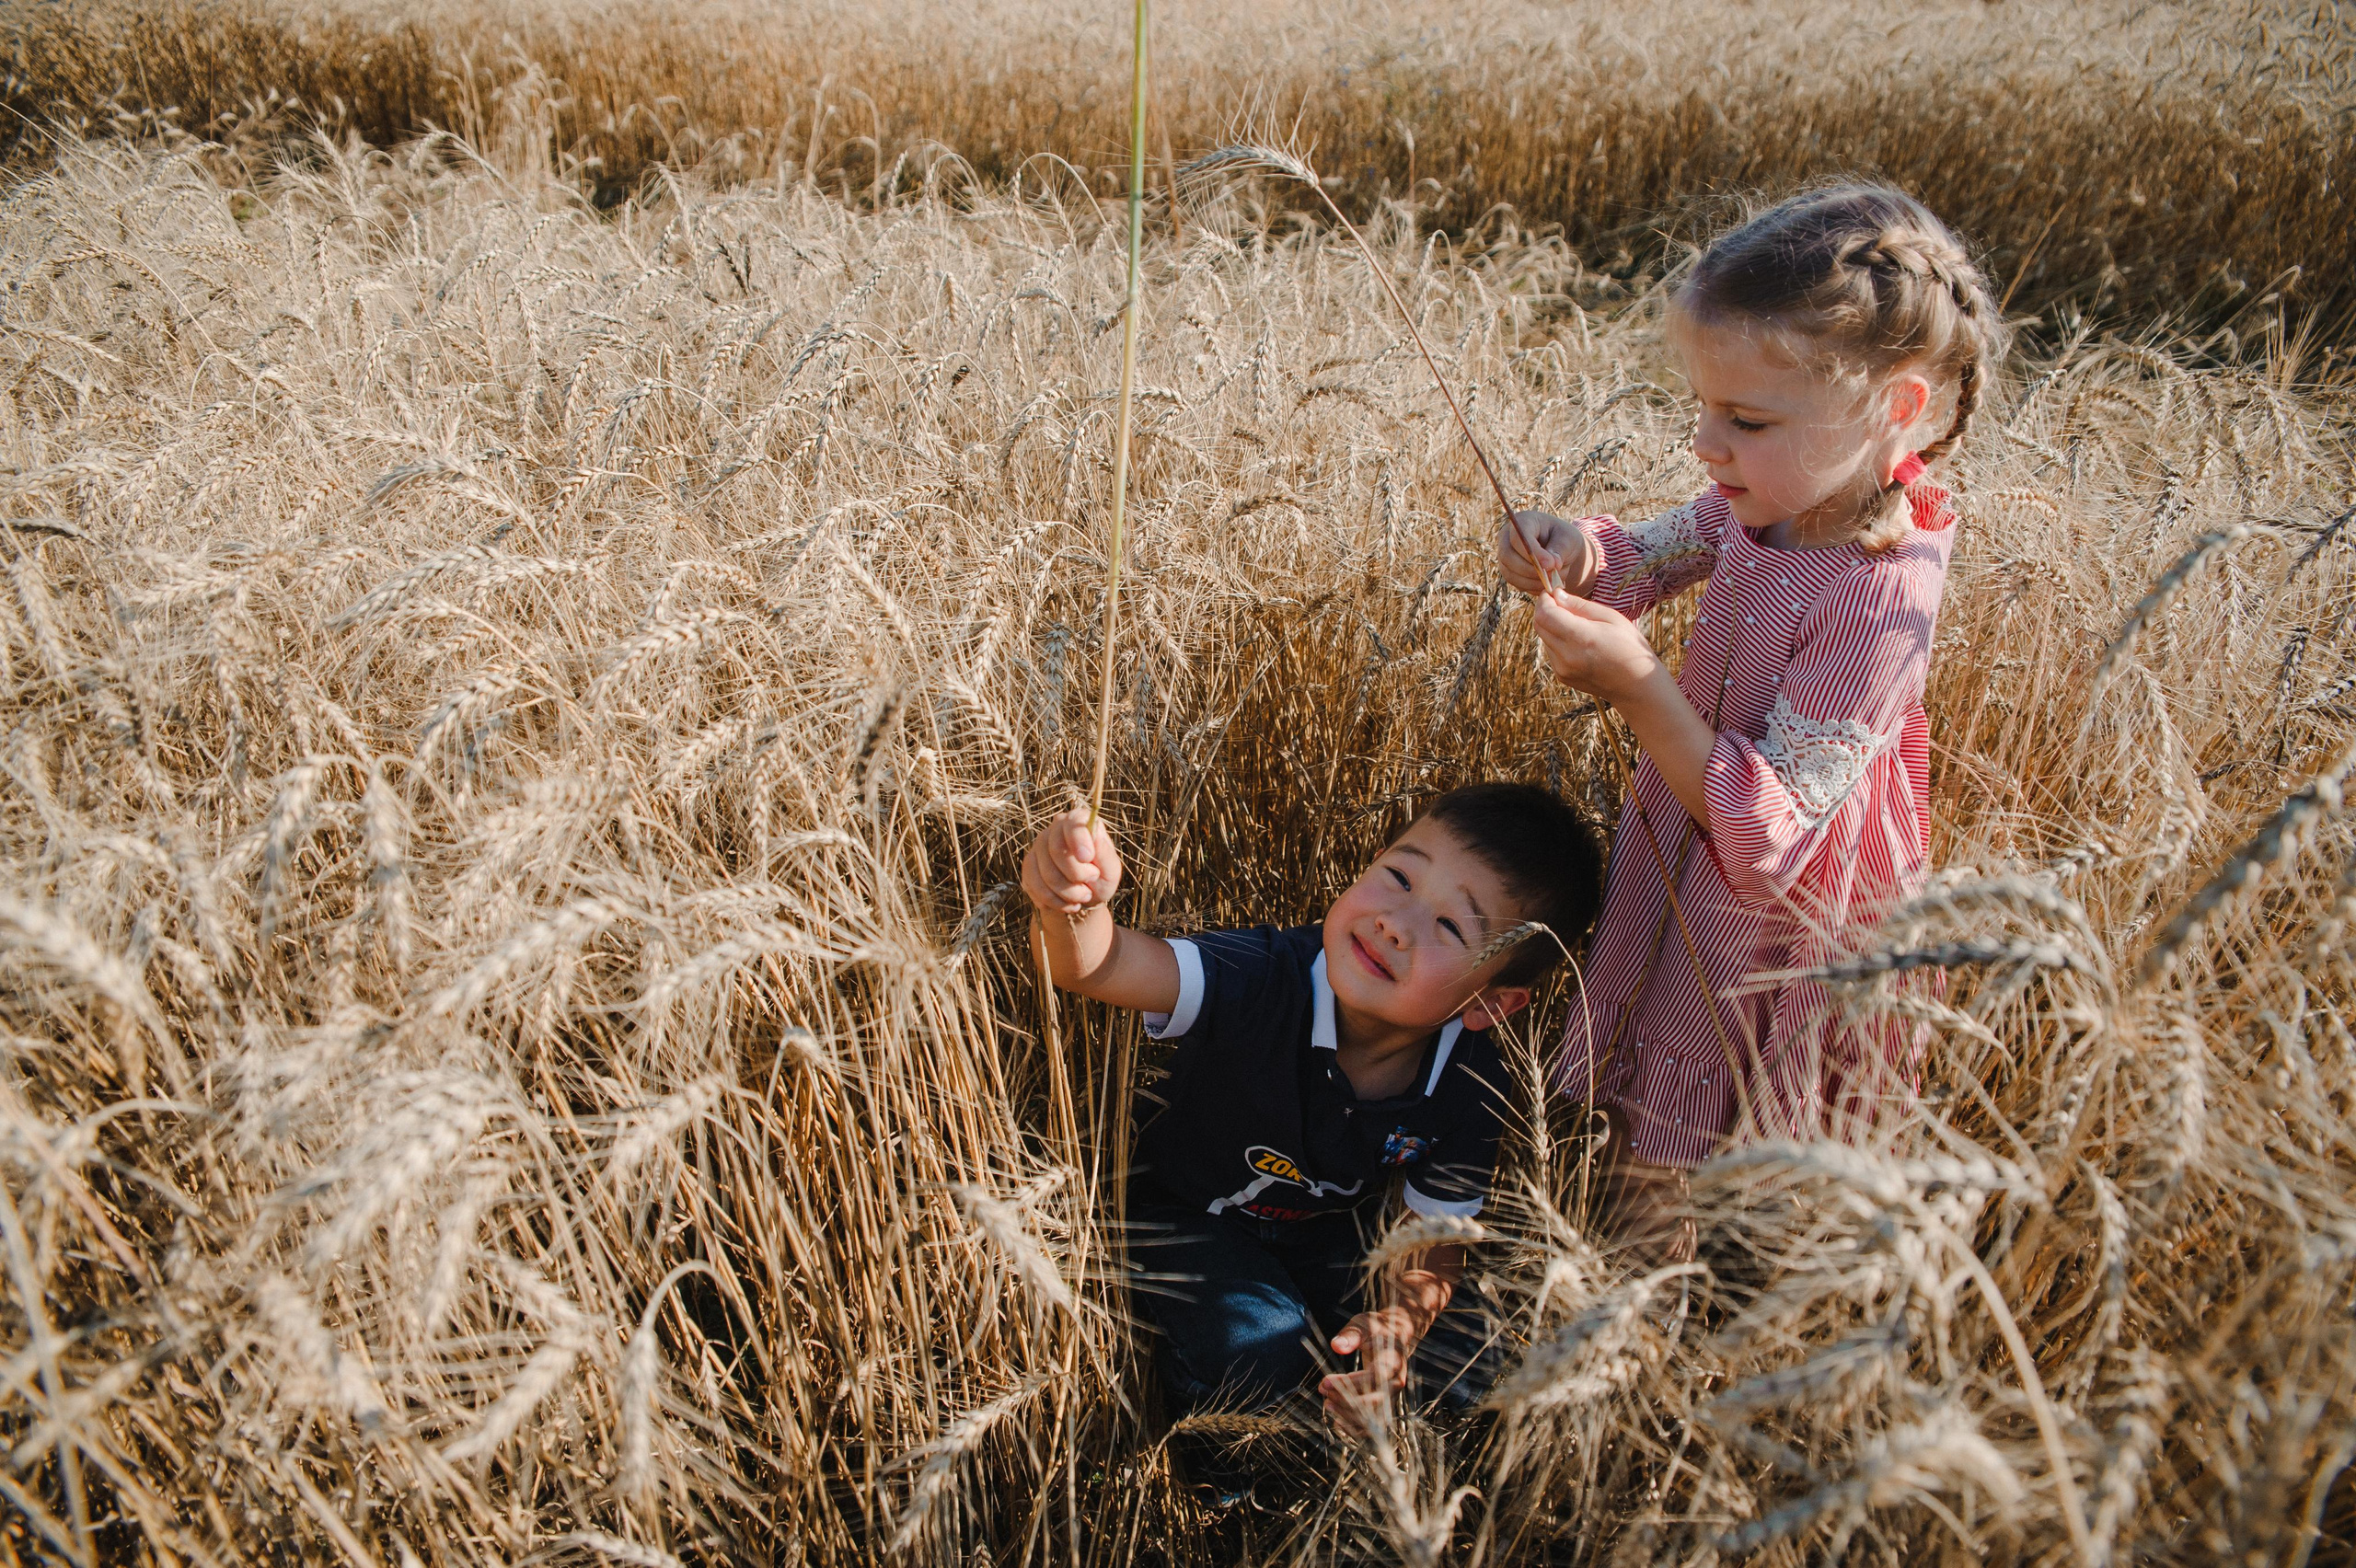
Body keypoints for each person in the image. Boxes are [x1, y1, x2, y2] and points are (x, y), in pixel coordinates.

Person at [1494, 185, 2005, 1253]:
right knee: (1648, 1102)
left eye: (1747, 419)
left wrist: (1639, 687)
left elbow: (1769, 835)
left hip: (1768, 906)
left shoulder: (1881, 589)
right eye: (1705, 407)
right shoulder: (1758, 507)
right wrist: (1572, 550)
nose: (1704, 443)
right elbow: (1652, 553)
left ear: (1896, 408)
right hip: (1687, 836)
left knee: (1691, 1120)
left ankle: (1647, 1316)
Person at [1021, 782, 1602, 1442]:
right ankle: (1221, 1461)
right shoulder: (1263, 976)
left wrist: (1398, 1325)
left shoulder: (1471, 1084)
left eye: (1448, 926)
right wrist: (1072, 905)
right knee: (1263, 1342)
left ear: (1490, 1004)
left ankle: (1350, 1439)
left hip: (1325, 1234)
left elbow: (1434, 1244)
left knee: (1469, 1356)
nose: (1395, 922)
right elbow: (1103, 965)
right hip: (1183, 1214)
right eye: (1398, 877)